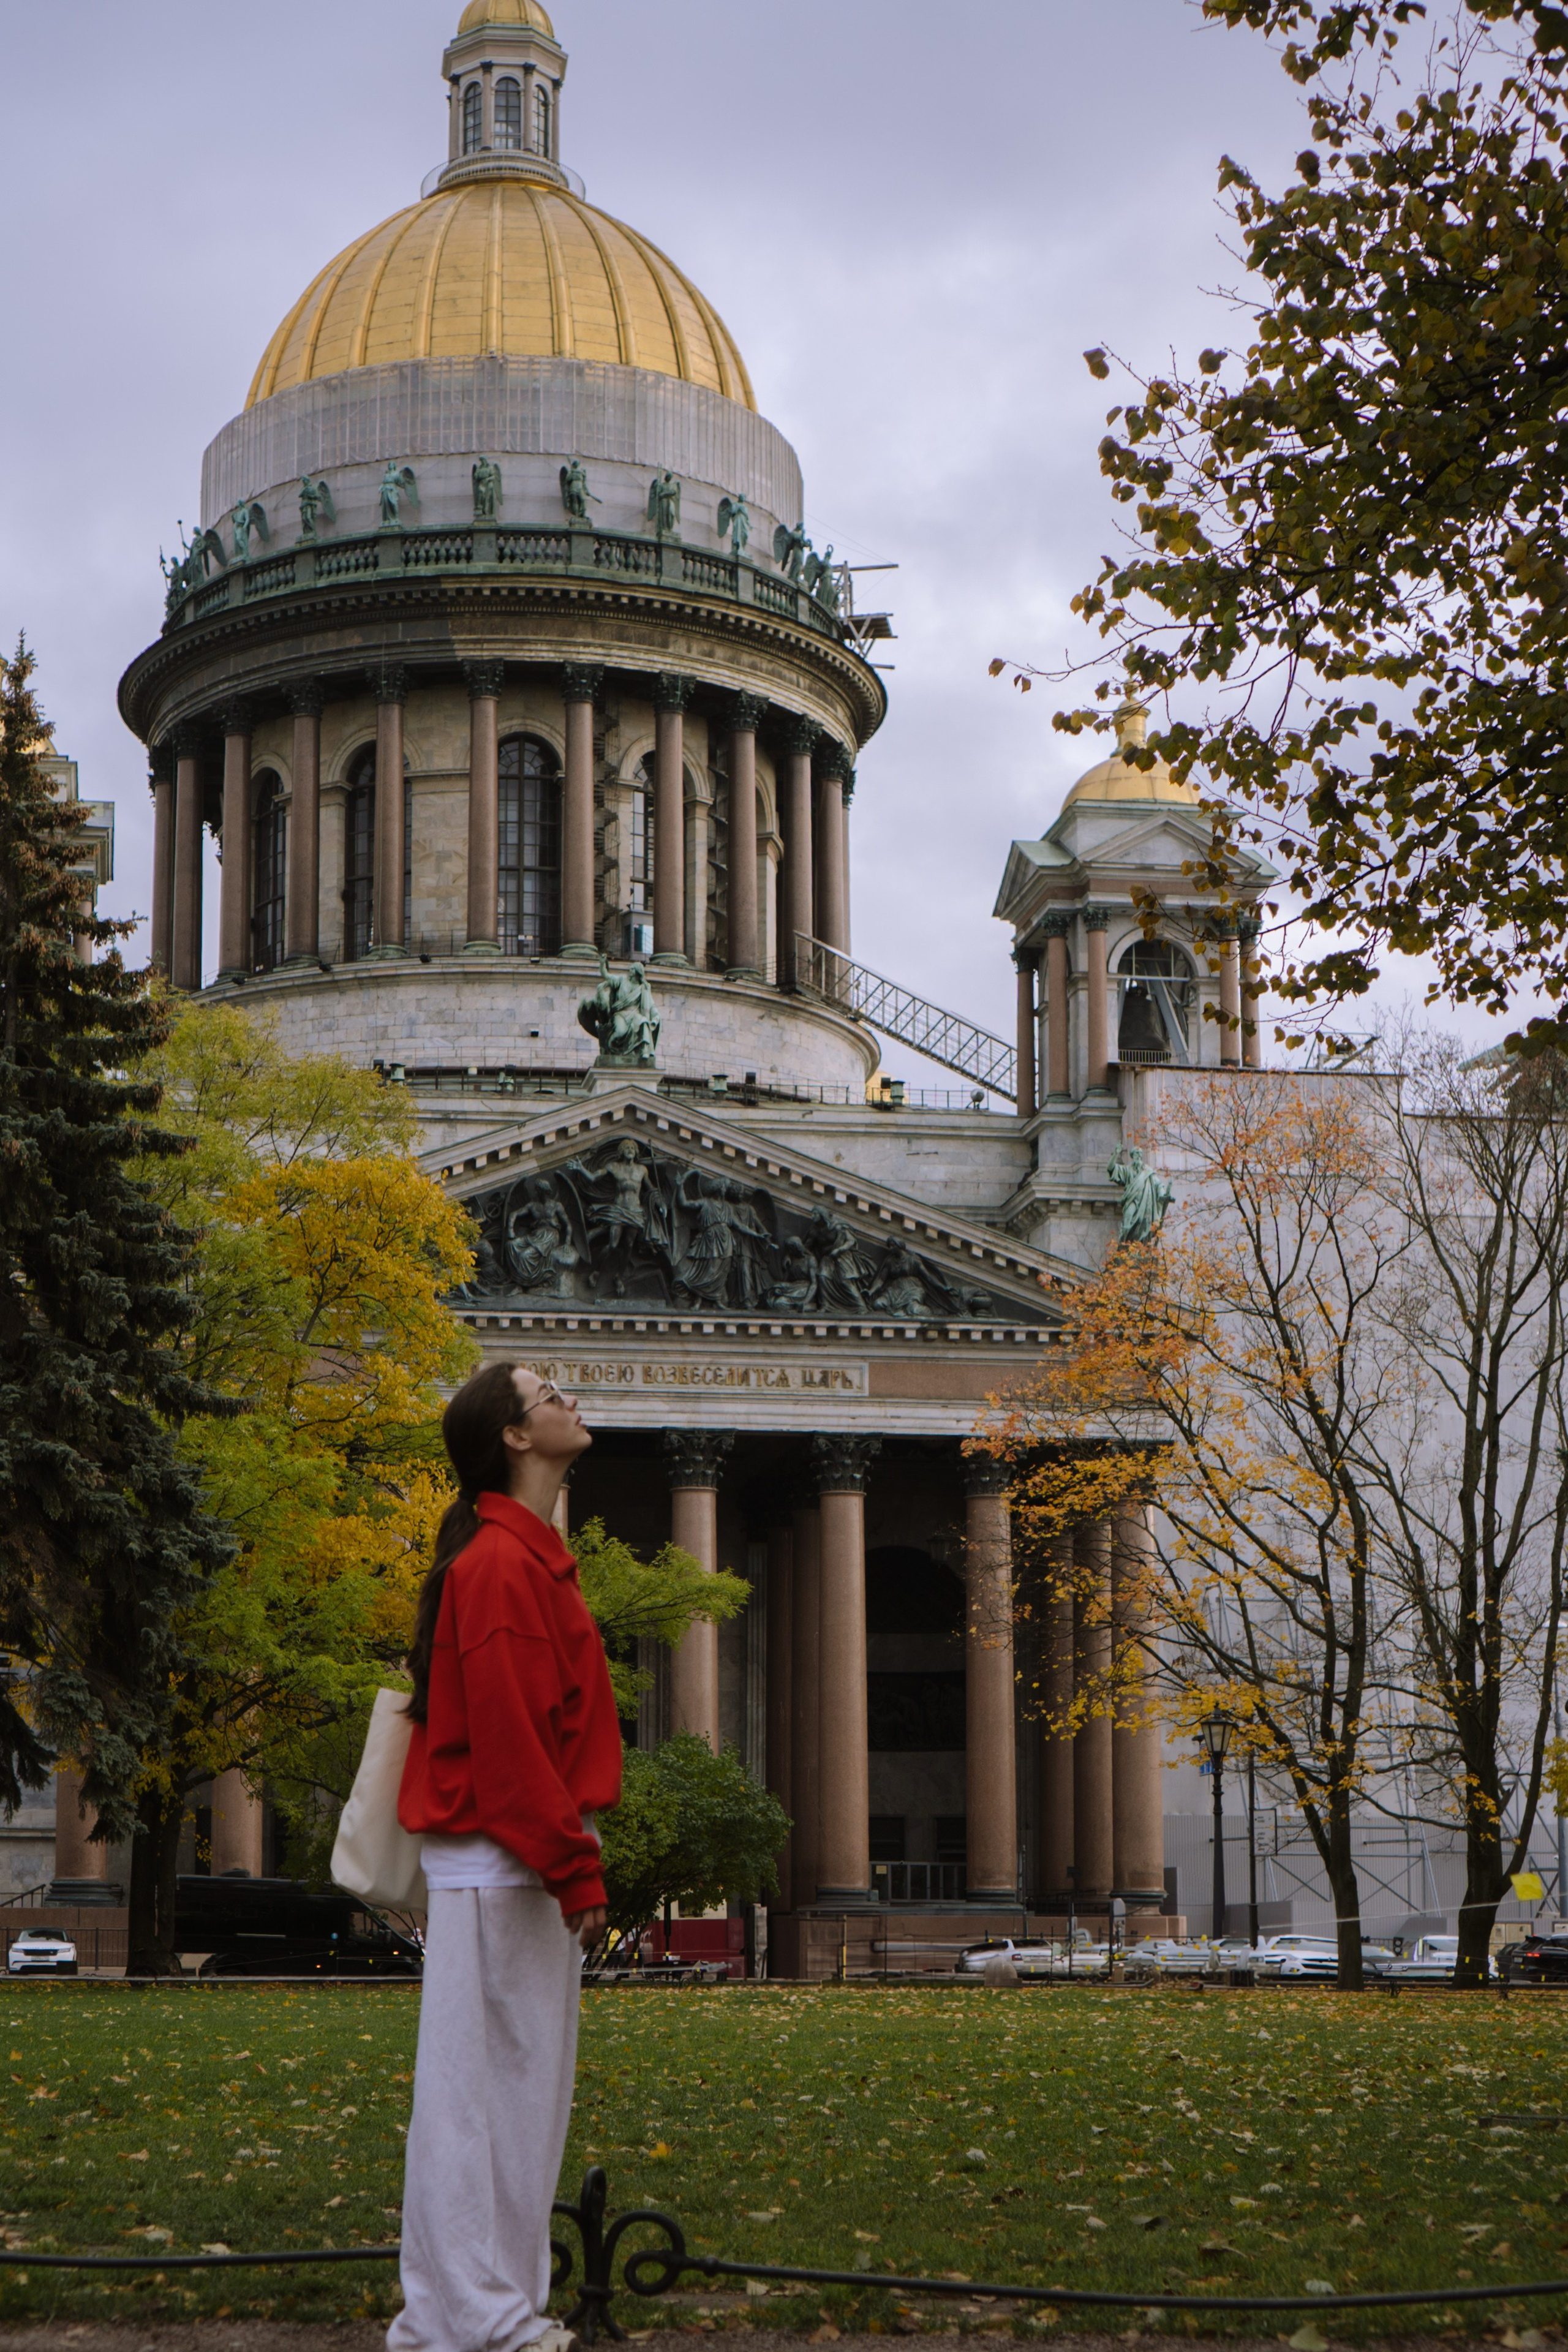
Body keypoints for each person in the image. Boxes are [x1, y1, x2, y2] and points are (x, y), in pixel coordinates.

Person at [390, 1362, 621, 2352]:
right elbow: (514, 1746)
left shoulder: (518, 1561)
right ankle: (475, 2319)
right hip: (502, 1864)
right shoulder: (498, 1568)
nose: (571, 1399)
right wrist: (576, 1869)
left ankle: (472, 2315)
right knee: (483, 2107)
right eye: (547, 1395)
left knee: (505, 2103)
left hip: (508, 1863)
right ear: (515, 1439)